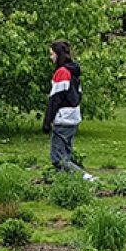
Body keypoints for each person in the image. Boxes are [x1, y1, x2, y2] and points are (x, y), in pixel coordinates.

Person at [44, 40, 95, 181]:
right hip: (73, 116)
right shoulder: (74, 71)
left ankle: (85, 177)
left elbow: (55, 99)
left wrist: (47, 121)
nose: (51, 57)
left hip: (63, 118)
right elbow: (78, 95)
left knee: (57, 158)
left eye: (52, 54)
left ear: (58, 54)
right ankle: (63, 183)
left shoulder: (62, 72)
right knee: (65, 155)